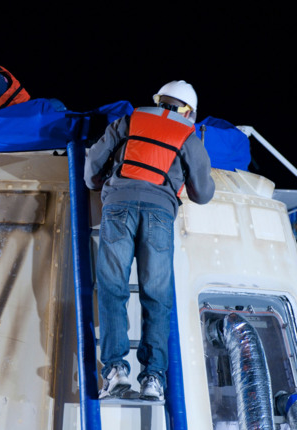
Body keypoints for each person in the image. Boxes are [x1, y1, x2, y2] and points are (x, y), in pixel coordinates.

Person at [84, 80, 215, 401]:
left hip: (117, 209)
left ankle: (114, 370)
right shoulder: (189, 136)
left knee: (112, 287)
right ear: (189, 112)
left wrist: (101, 182)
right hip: (159, 215)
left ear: (159, 100)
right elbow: (203, 193)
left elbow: (91, 171)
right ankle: (153, 377)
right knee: (156, 295)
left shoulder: (128, 121)